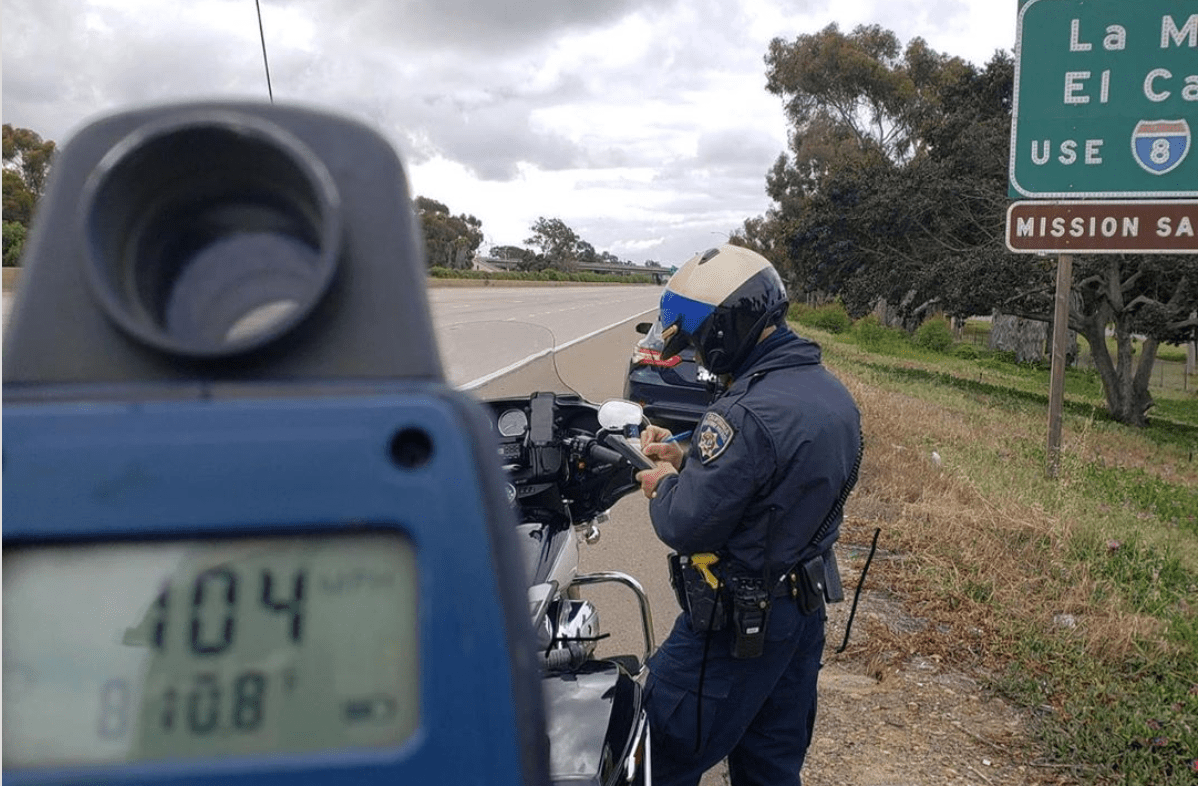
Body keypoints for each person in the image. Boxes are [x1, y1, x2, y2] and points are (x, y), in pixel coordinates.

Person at [634, 244, 862, 786]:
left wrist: (666, 483)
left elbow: (685, 524)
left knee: (652, 757)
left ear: (723, 330)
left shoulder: (744, 411)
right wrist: (688, 455)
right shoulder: (829, 392)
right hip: (800, 617)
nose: (700, 358)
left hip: (737, 626)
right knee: (771, 767)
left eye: (698, 343)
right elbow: (776, 478)